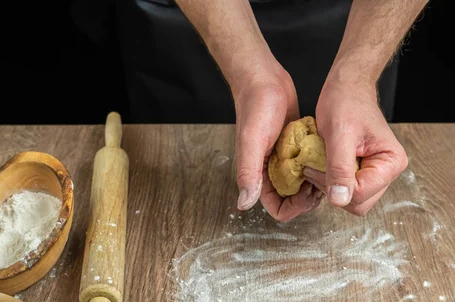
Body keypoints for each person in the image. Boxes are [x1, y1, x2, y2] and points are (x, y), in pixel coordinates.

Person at [76, 0, 427, 221]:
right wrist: (250, 76)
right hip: (193, 15)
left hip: (362, 15)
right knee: (181, 148)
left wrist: (358, 74)